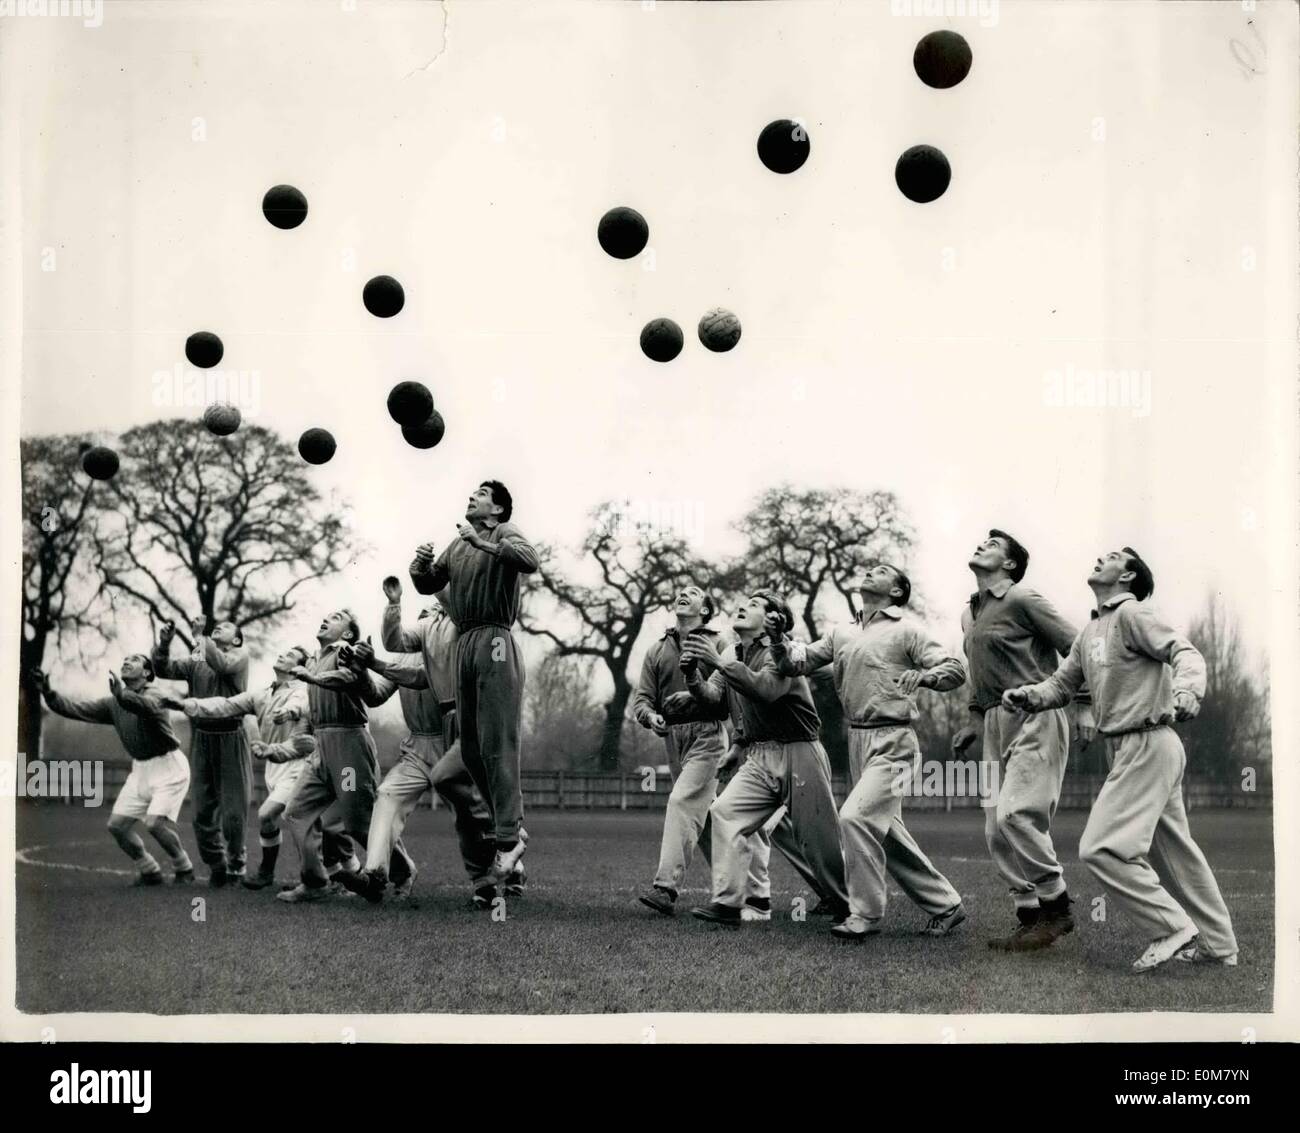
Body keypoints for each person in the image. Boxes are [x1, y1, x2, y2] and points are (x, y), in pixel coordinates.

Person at [1002, 547, 1238, 971]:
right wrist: (1030, 696)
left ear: (1127, 576)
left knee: (1100, 848)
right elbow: (1062, 685)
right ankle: (1219, 945)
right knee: (1176, 855)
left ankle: (1170, 928)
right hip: (1138, 748)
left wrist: (1187, 692)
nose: (1099, 558)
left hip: (1148, 742)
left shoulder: (1133, 615)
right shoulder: (1091, 631)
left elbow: (1186, 654)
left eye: (1111, 557)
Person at [770, 563, 967, 940]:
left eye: (881, 571)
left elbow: (955, 668)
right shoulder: (842, 632)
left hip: (895, 741)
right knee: (884, 832)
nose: (870, 572)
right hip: (857, 741)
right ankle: (947, 906)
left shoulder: (906, 630)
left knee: (855, 819)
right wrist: (779, 639)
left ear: (896, 592)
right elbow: (795, 663)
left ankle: (865, 913)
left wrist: (926, 676)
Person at [954, 530, 1092, 952]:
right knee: (996, 829)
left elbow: (1079, 646)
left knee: (1016, 812)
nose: (982, 545)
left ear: (1010, 564)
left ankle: (1057, 907)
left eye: (993, 546)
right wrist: (975, 719)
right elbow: (978, 673)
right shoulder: (971, 613)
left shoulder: (1022, 598)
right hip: (996, 720)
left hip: (1036, 713)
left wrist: (1084, 703)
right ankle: (1030, 918)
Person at [681, 591, 851, 928]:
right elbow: (716, 698)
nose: (742, 605)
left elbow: (767, 690)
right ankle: (729, 903)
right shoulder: (733, 651)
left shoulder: (782, 651)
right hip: (759, 755)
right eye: (743, 602)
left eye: (755, 605)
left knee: (817, 840)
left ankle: (847, 904)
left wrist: (717, 663)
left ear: (774, 621)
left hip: (800, 750)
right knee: (724, 813)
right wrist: (692, 678)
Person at [345, 576, 505, 907]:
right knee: (387, 795)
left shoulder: (453, 646)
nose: (426, 616)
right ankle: (375, 873)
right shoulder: (406, 655)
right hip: (418, 747)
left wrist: (431, 580)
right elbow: (375, 696)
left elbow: (421, 679)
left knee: (473, 812)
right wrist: (363, 668)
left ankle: (500, 873)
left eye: (434, 610)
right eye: (423, 613)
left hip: (453, 739)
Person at [409, 480, 539, 886]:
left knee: (496, 742)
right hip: (464, 642)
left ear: (497, 510)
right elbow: (430, 584)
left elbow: (529, 560)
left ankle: (507, 838)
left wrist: (484, 544)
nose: (472, 495)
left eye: (482, 493)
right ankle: (510, 830)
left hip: (495, 640)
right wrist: (421, 565)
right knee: (471, 750)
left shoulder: (502, 532)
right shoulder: (458, 542)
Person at [632, 584, 770, 920]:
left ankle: (666, 889)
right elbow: (642, 700)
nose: (683, 593)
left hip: (709, 735)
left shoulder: (720, 644)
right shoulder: (656, 650)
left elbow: (728, 697)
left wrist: (693, 700)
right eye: (680, 591)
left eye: (692, 592)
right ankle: (751, 894)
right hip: (673, 742)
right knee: (705, 820)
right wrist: (651, 717)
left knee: (682, 802)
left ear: (705, 610)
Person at [31, 657, 194, 885]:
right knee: (116, 826)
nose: (126, 661)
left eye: (134, 660)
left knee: (153, 824)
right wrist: (48, 693)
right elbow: (76, 710)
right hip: (140, 769)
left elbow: (146, 706)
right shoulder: (114, 703)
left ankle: (184, 867)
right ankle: (150, 870)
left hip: (169, 767)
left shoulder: (155, 694)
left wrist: (121, 695)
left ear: (147, 674)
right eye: (124, 659)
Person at [164, 645, 316, 889]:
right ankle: (326, 874)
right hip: (274, 768)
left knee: (272, 815)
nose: (281, 653)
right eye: (283, 651)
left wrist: (288, 711)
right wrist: (185, 705)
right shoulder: (262, 694)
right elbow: (224, 704)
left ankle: (303, 877)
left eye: (289, 654)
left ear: (299, 668)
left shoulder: (303, 690)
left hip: (301, 765)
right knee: (280, 821)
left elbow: (300, 703)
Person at [275, 610, 386, 904]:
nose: (326, 618)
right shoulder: (313, 659)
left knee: (357, 822)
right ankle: (314, 882)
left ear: (348, 633)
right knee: (296, 812)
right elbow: (314, 709)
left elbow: (348, 677)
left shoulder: (345, 652)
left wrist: (312, 676)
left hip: (348, 745)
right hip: (321, 747)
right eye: (326, 615)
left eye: (337, 617)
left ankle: (401, 872)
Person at [152, 617, 251, 887]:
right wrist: (164, 643)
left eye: (227, 626)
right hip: (202, 739)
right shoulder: (199, 654)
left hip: (231, 736)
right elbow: (164, 668)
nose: (219, 626)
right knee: (201, 813)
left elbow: (221, 663)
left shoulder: (240, 655)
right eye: (216, 625)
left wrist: (200, 637)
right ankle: (217, 864)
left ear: (237, 639)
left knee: (233, 814)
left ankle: (236, 863)